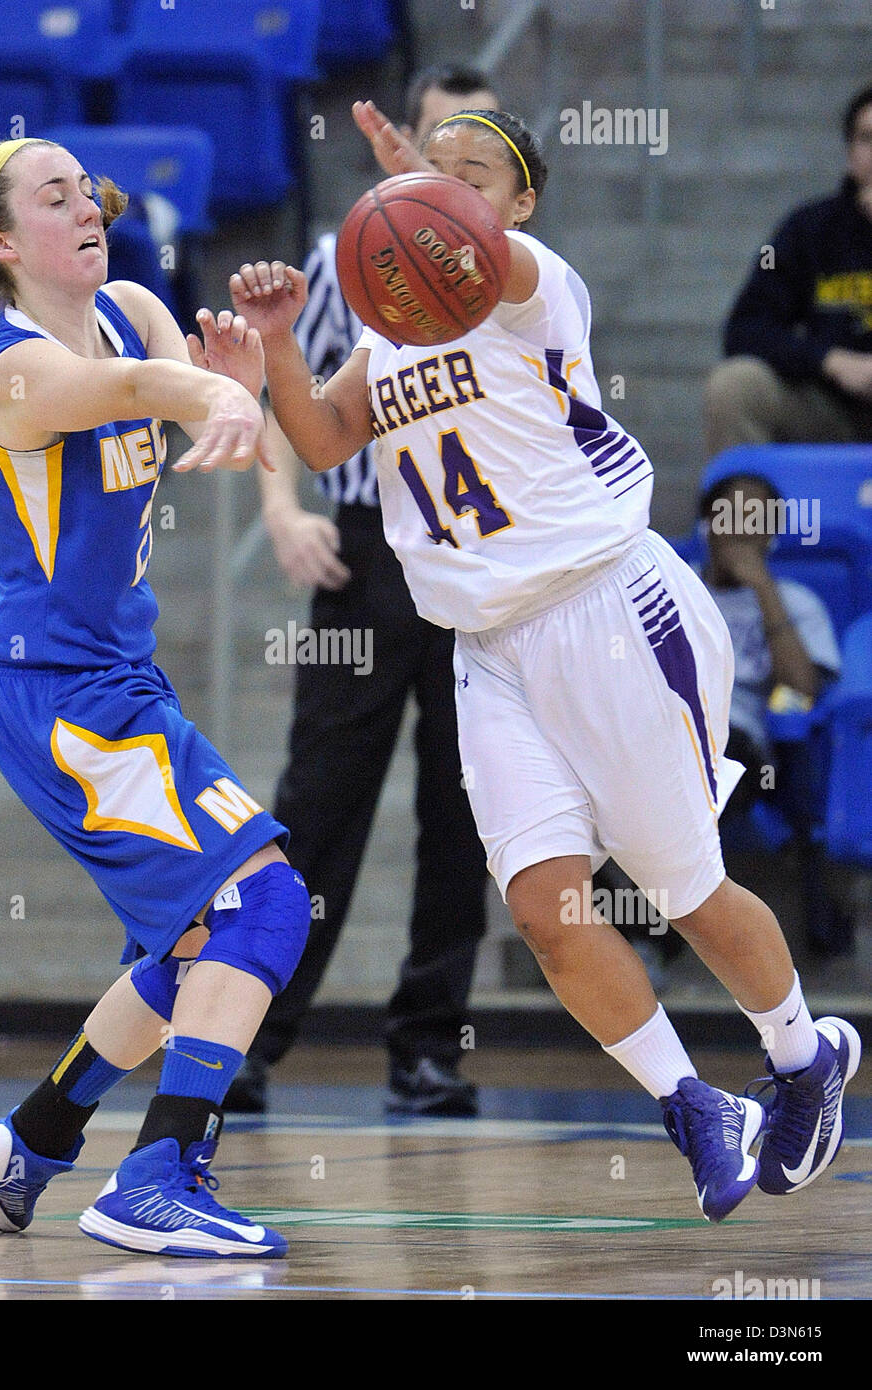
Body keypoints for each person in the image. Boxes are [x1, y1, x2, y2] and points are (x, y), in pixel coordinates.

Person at [214, 101, 862, 1222]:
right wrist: (277, 339)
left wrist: (420, 183)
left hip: (609, 610)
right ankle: (690, 1102)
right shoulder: (390, 329)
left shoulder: (532, 287)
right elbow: (321, 441)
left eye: (476, 173)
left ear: (517, 205)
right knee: (546, 911)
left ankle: (802, 1056)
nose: (446, 183)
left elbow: (462, 244)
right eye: (434, 168)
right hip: (485, 646)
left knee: (681, 889)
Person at [0, 137, 312, 1258]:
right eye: (51, 196)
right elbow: (153, 390)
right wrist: (209, 391)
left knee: (202, 926)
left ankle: (31, 1142)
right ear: (2, 244)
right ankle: (157, 1173)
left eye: (86, 187)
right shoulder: (15, 373)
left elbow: (206, 401)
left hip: (112, 682)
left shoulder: (135, 305)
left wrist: (245, 411)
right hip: (57, 700)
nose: (86, 201)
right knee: (268, 907)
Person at [228, 65, 501, 1119]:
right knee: (315, 806)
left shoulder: (516, 278)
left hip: (474, 559)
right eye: (430, 140)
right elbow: (264, 376)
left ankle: (428, 1049)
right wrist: (279, 513)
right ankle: (245, 1035)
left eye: (466, 149)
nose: (440, 162)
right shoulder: (352, 257)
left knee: (464, 807)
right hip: (367, 549)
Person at [697, 473, 852, 958]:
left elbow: (801, 689)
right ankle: (647, 932)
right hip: (660, 731)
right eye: (731, 516)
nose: (742, 529)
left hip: (740, 744)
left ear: (773, 534)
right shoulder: (676, 590)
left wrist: (762, 588)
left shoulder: (796, 603)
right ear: (707, 528)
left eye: (757, 519)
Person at [704, 84, 872, 457]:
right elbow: (745, 330)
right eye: (869, 139)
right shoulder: (810, 229)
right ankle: (744, 516)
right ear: (850, 154)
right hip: (831, 413)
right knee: (735, 386)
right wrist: (830, 360)